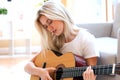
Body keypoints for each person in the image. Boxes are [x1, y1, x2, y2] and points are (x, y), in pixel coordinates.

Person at [24, 1, 99, 80]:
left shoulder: (86, 39)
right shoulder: (52, 41)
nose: (49, 29)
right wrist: (40, 72)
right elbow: (27, 66)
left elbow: (92, 72)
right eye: (46, 26)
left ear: (59, 14)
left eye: (50, 22)